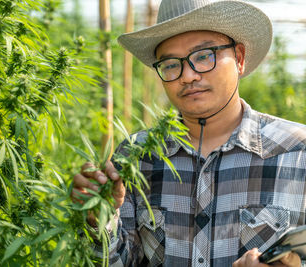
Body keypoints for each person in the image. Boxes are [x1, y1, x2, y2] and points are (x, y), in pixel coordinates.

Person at [73, 0, 306, 266]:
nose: (188, 75)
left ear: (239, 59)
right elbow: (118, 262)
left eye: (204, 55)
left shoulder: (298, 153)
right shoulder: (136, 157)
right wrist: (99, 218)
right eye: (171, 64)